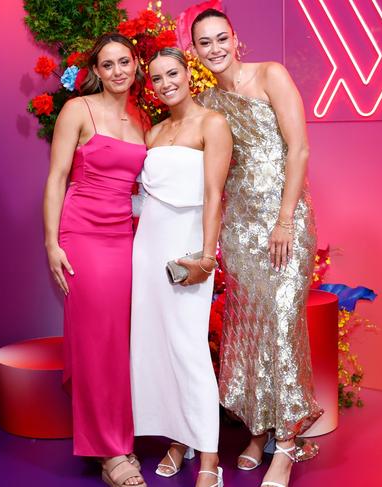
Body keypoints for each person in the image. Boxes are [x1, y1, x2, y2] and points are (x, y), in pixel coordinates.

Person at [191, 9, 323, 487]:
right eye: (204, 43)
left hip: (285, 222)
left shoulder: (272, 75)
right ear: (195, 51)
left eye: (221, 38)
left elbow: (299, 149)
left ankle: (285, 447)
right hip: (240, 229)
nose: (215, 48)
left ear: (235, 39)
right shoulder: (208, 101)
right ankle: (258, 430)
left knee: (283, 328)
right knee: (250, 333)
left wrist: (285, 220)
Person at [42, 32, 148, 487]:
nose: (118, 71)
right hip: (83, 233)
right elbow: (56, 178)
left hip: (124, 235)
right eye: (108, 65)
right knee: (97, 339)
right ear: (96, 72)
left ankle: (116, 438)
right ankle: (109, 452)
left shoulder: (142, 118)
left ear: (135, 65)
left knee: (117, 340)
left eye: (124, 62)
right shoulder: (77, 111)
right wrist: (51, 243)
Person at [130, 47, 232, 487]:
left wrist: (207, 256)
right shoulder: (153, 133)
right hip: (148, 246)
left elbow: (214, 195)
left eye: (172, 73)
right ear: (149, 87)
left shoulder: (213, 123)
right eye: (156, 78)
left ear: (189, 75)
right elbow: (145, 197)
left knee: (189, 351)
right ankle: (177, 440)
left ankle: (209, 457)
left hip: (188, 248)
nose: (166, 83)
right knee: (157, 348)